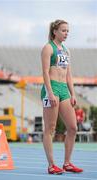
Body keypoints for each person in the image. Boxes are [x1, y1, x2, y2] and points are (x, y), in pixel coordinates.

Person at [41, 19, 83, 175]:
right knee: (50, 129)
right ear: (55, 31)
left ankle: (67, 163)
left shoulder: (66, 50)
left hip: (64, 90)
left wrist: (73, 94)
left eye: (68, 31)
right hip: (51, 88)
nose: (66, 34)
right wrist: (50, 92)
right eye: (63, 30)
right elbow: (45, 72)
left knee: (73, 127)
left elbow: (68, 74)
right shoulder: (48, 48)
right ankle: (51, 165)